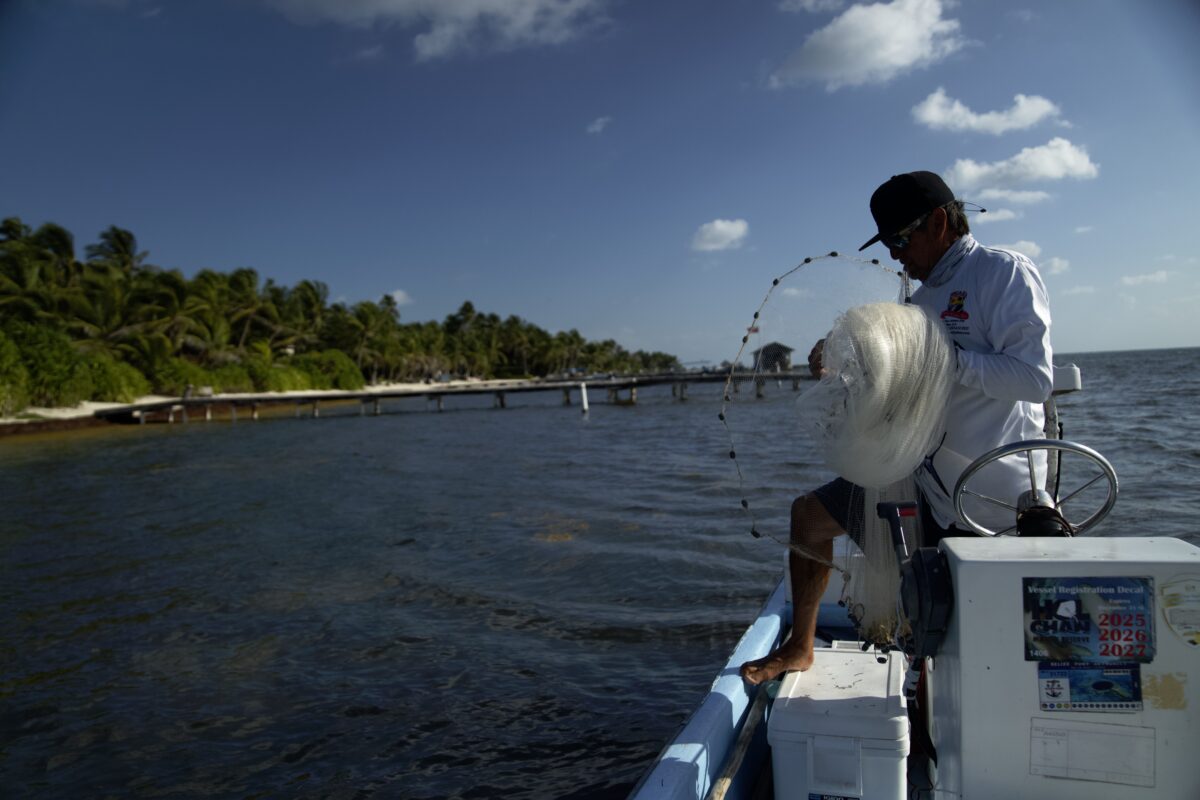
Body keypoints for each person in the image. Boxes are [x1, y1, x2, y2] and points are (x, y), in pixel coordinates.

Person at [740, 170, 1052, 685]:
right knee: (810, 518)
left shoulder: (1003, 274)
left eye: (900, 240)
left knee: (957, 645)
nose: (893, 256)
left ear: (939, 222)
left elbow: (1034, 379)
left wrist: (938, 358)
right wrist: (839, 370)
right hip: (924, 479)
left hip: (990, 495)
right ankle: (800, 646)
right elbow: (901, 386)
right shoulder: (920, 298)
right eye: (886, 244)